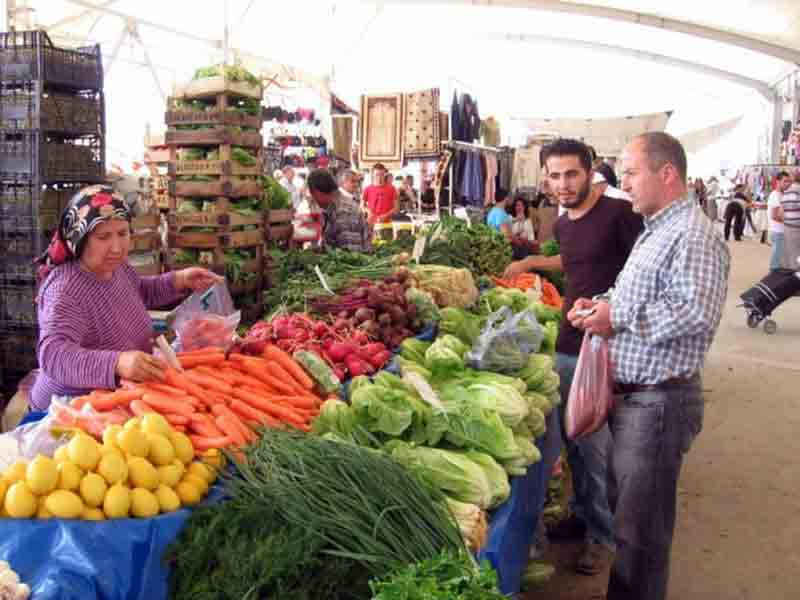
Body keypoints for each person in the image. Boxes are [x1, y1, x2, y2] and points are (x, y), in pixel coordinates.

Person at [569, 132, 729, 600]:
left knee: (641, 535)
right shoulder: (657, 229)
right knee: (631, 521)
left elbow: (695, 310)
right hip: (637, 400)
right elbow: (635, 297)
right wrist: (598, 307)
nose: (624, 182)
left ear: (667, 174)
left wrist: (614, 317)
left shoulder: (692, 235)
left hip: (658, 403)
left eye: (632, 172)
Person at [504, 138, 643, 575]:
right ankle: (582, 516)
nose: (562, 184)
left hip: (608, 345)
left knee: (596, 447)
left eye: (571, 174)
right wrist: (529, 263)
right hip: (568, 342)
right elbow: (573, 261)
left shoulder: (621, 214)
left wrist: (612, 313)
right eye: (554, 175)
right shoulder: (563, 221)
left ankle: (602, 538)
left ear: (590, 172)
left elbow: (643, 274)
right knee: (570, 440)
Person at [30, 186, 222, 410]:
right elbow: (54, 356)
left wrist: (179, 280)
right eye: (103, 237)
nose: (116, 247)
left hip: (118, 395)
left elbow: (138, 291)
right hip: (69, 408)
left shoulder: (116, 267)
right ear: (79, 239)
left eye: (123, 233)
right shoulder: (65, 291)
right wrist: (116, 363)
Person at [308, 169, 371, 252]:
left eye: (312, 194)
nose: (312, 199)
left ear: (317, 193)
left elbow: (350, 255)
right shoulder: (332, 206)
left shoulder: (344, 212)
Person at [767, 171, 792, 270]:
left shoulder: (783, 194)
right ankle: (772, 279)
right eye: (785, 181)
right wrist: (791, 221)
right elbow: (775, 216)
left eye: (789, 181)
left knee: (781, 258)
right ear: (778, 181)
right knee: (776, 260)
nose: (788, 184)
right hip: (778, 231)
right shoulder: (775, 195)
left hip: (782, 230)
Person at [779, 170, 800, 270]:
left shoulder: (786, 192)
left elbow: (782, 211)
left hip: (788, 226)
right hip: (797, 227)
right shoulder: (798, 190)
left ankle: (790, 273)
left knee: (790, 252)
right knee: (796, 254)